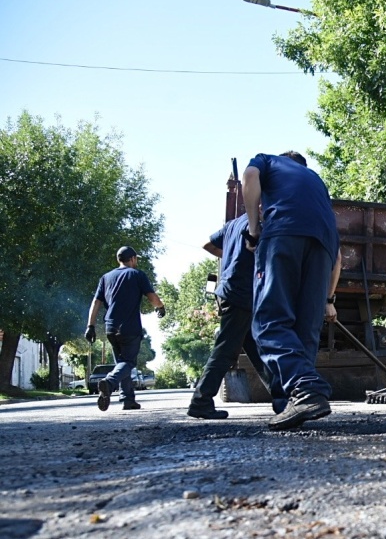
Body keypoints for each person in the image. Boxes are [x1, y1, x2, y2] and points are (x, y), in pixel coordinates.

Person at [241, 150, 342, 431]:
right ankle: (299, 402)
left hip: (284, 233)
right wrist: (328, 299)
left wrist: (253, 228)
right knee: (305, 328)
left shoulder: (267, 160)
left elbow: (249, 176)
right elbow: (339, 258)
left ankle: (306, 389)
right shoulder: (315, 180)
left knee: (268, 321)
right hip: (324, 245)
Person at [186, 209, 287, 419]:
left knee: (257, 348)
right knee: (226, 349)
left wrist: (230, 255)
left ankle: (281, 398)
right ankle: (200, 400)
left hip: (232, 290)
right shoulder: (256, 225)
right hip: (241, 292)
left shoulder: (233, 224)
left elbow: (207, 244)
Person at [85, 246, 166, 412]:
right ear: (133, 259)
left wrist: (90, 326)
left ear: (118, 260)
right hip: (129, 327)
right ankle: (108, 382)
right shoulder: (137, 275)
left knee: (121, 363)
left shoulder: (106, 277)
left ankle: (128, 399)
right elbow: (152, 296)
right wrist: (160, 307)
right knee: (128, 362)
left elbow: (96, 302)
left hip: (110, 327)